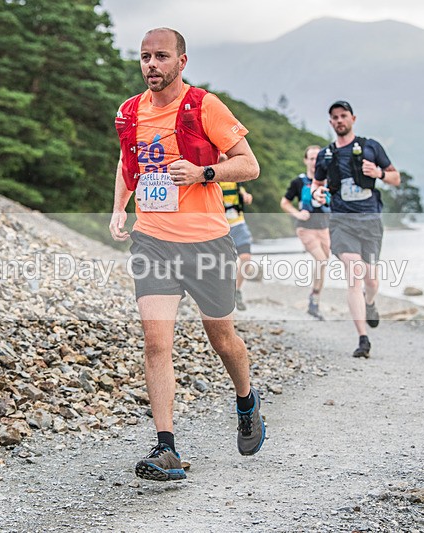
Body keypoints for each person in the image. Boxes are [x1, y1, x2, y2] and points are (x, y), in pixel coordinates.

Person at [109, 27, 266, 482]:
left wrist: (203, 172)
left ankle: (246, 400)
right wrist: (119, 208)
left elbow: (249, 165)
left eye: (160, 56)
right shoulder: (130, 111)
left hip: (207, 242)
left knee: (222, 340)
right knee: (156, 343)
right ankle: (166, 448)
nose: (151, 65)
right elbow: (127, 162)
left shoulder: (205, 106)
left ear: (182, 61)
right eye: (144, 57)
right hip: (153, 241)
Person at [311, 100, 400, 358]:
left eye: (343, 116)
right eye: (335, 117)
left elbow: (396, 178)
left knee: (371, 280)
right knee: (354, 272)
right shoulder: (326, 155)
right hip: (341, 221)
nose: (339, 120)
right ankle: (363, 339)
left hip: (370, 220)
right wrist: (317, 194)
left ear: (353, 118)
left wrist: (379, 173)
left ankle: (370, 302)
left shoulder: (371, 147)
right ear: (330, 123)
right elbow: (316, 184)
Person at [280, 145, 331, 319]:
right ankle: (314, 300)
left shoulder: (327, 181)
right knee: (321, 260)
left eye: (318, 158)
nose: (315, 161)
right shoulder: (299, 182)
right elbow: (284, 202)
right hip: (306, 229)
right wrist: (297, 214)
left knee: (324, 263)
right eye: (311, 158)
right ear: (306, 160)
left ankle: (314, 301)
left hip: (324, 228)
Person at [218, 153, 255, 311]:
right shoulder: (211, 180)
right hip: (220, 227)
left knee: (246, 258)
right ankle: (223, 293)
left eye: (225, 159)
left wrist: (246, 197)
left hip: (239, 224)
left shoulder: (236, 181)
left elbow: (244, 194)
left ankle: (237, 290)